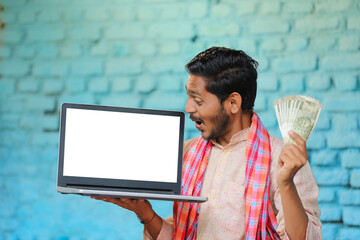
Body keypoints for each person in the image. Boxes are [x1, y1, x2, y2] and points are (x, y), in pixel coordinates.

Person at [92, 47, 322, 239]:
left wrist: (286, 183)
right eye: (188, 97)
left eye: (198, 100)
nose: (188, 108)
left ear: (233, 103)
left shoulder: (282, 159)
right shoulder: (188, 153)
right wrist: (144, 212)